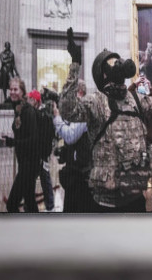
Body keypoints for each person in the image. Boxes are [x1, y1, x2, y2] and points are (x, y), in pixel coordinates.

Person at [59, 28, 152, 212]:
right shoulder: (96, 101)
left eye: (118, 60)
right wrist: (75, 65)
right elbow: (67, 110)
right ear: (103, 74)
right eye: (112, 62)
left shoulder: (134, 98)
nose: (118, 63)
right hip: (106, 202)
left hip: (135, 198)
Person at [52, 80, 93, 212]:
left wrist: (57, 118)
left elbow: (70, 136)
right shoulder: (76, 111)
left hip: (81, 174)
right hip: (75, 170)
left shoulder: (84, 110)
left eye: (69, 95)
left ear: (79, 93)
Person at [5, 78, 43, 212]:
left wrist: (13, 142)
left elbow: (33, 140)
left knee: (11, 204)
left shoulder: (28, 111)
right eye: (11, 89)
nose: (12, 92)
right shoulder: (19, 109)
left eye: (15, 89)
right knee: (30, 202)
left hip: (30, 164)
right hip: (24, 162)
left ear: (22, 92)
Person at [28, 89, 56, 211]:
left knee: (45, 179)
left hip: (41, 153)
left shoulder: (44, 114)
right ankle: (30, 204)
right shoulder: (36, 113)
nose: (28, 101)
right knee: (33, 179)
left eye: (30, 99)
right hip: (35, 152)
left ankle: (50, 205)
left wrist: (44, 154)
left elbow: (47, 135)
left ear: (35, 100)